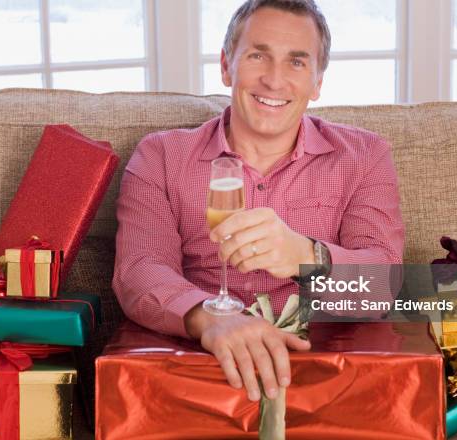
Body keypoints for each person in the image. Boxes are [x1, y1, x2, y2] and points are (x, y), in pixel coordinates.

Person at [113, 0, 404, 404]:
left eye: (297, 63)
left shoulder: (364, 156)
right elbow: (139, 271)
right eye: (257, 56)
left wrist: (309, 256)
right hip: (203, 371)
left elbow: (385, 287)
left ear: (318, 82)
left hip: (323, 375)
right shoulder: (160, 157)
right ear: (227, 65)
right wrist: (210, 317)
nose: (274, 80)